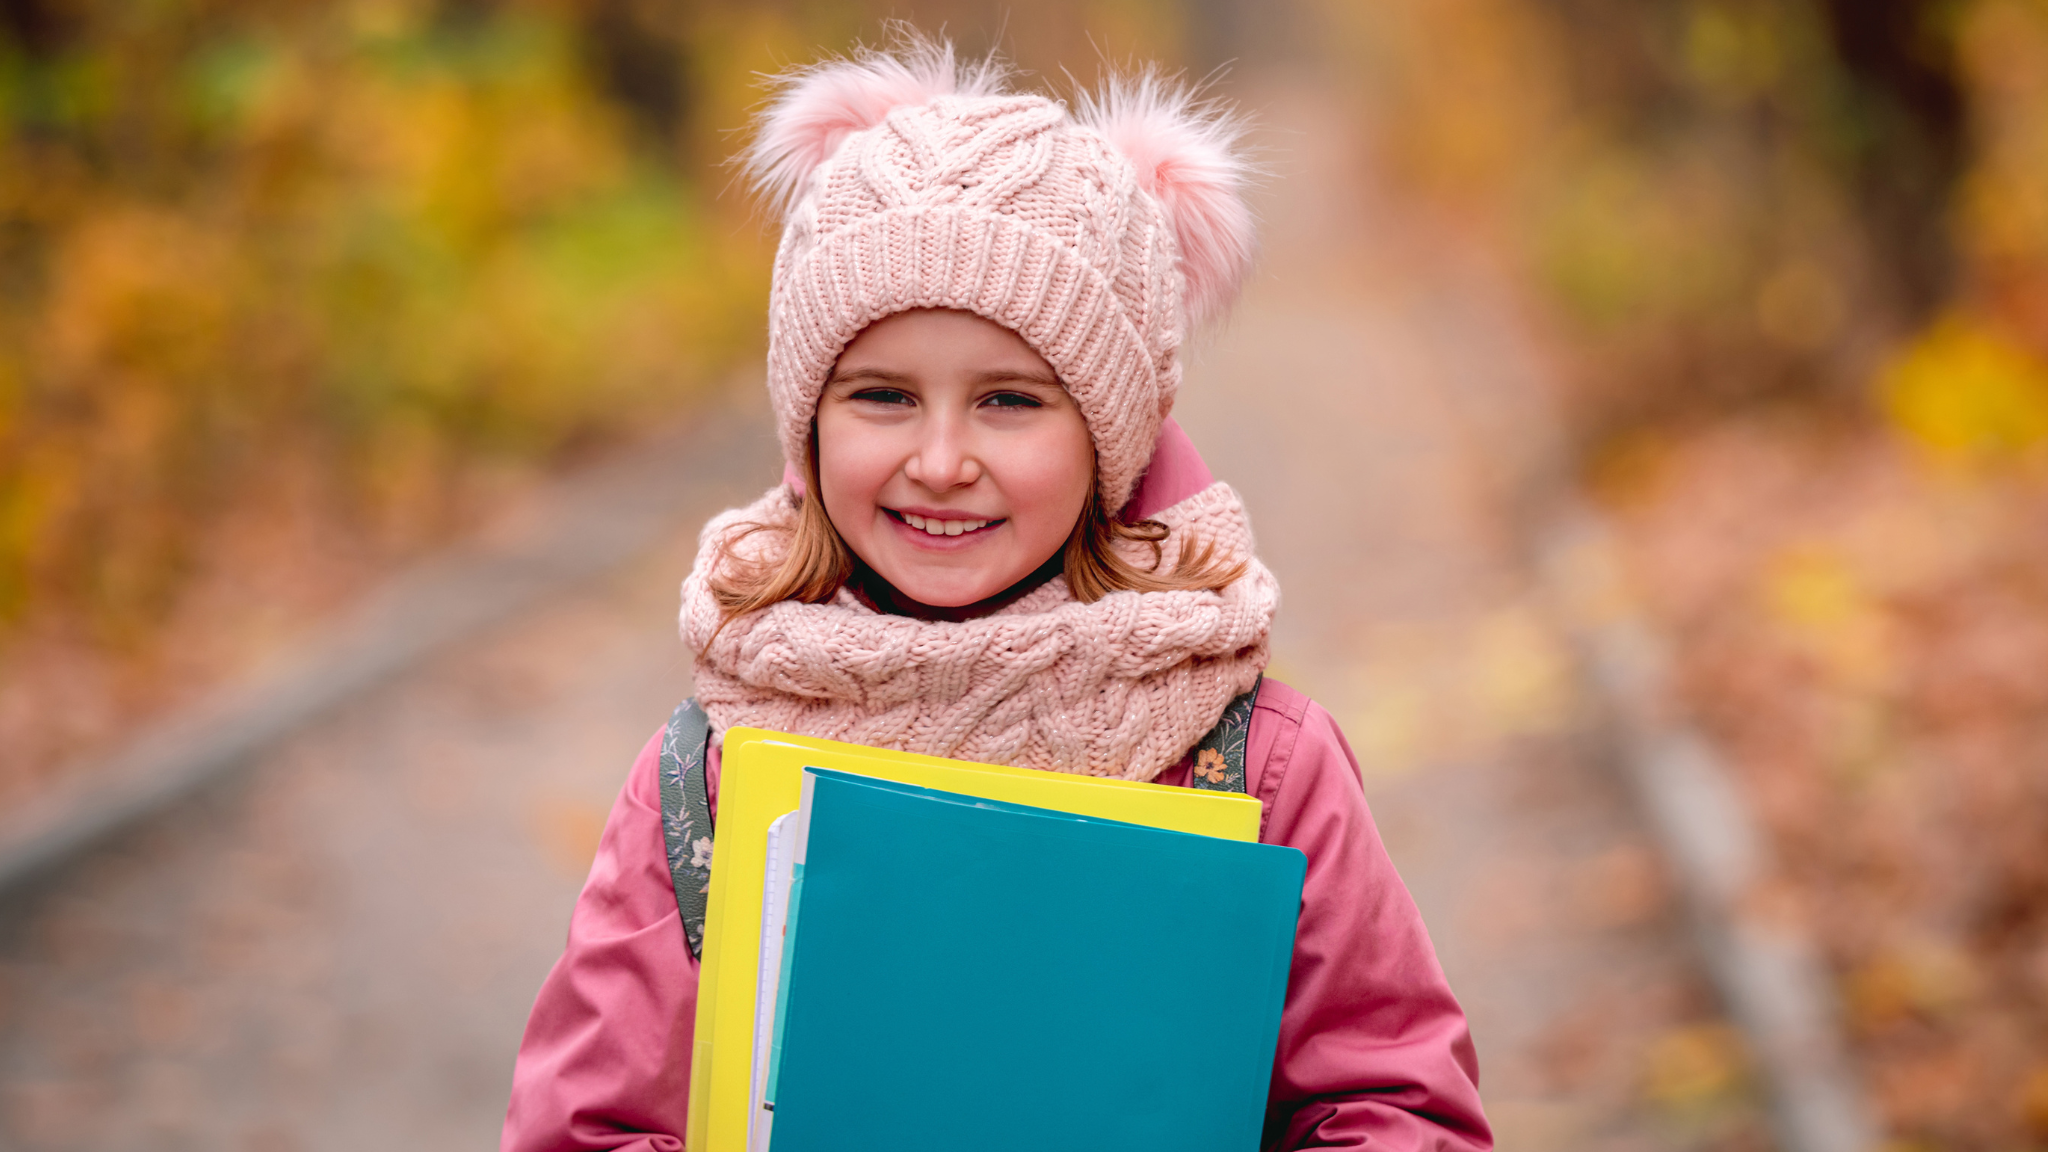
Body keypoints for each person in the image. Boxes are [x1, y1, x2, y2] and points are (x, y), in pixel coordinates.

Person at [502, 35, 1490, 1152]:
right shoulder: (713, 774)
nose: (938, 459)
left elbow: (1397, 1105)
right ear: (808, 424)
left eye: (1009, 402)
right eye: (880, 394)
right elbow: (584, 1126)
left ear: (1108, 437)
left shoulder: (1253, 763)